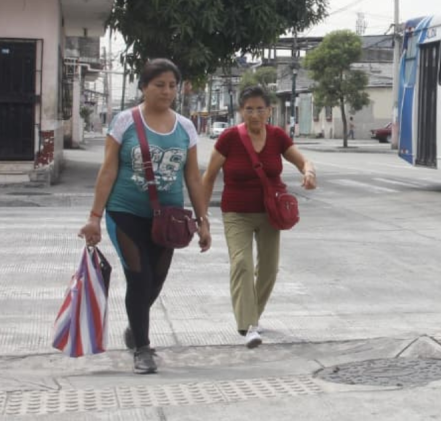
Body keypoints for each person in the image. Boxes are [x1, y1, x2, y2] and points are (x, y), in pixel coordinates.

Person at [79, 59, 212, 375]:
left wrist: (203, 220)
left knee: (155, 281)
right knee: (139, 278)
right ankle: (143, 347)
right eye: (159, 85)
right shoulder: (125, 121)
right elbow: (108, 168)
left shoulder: (186, 127)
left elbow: (193, 177)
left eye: (172, 85)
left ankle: (134, 327)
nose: (167, 91)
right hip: (125, 212)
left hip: (169, 219)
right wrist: (95, 217)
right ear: (143, 87)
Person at [202, 86, 317, 348]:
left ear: (269, 111)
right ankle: (249, 326)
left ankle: (254, 315)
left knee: (268, 269)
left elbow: (302, 161)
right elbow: (208, 177)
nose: (254, 114)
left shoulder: (277, 137)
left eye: (260, 109)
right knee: (241, 263)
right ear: (241, 111)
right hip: (236, 213)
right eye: (249, 109)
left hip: (269, 213)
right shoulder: (229, 138)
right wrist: (202, 215)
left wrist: (309, 173)